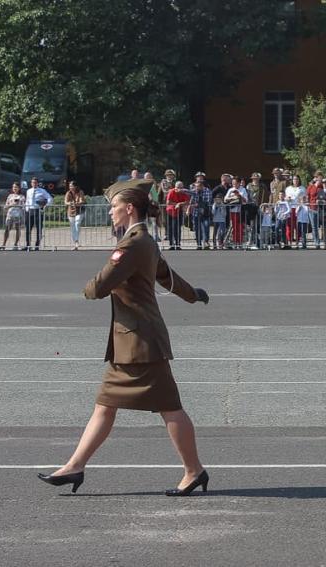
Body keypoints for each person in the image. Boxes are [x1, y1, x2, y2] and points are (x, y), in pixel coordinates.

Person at [37, 179, 211, 496]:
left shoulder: (132, 245)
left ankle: (194, 471)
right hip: (133, 342)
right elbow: (168, 277)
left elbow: (97, 288)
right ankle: (74, 466)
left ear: (129, 208)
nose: (110, 212)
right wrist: (193, 295)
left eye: (114, 207)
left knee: (169, 408)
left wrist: (90, 286)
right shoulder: (145, 240)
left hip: (141, 343)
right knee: (105, 406)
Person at [24, 177, 52, 250]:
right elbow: (27, 200)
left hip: (38, 210)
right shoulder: (28, 191)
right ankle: (28, 245)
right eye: (33, 182)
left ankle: (37, 245)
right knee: (28, 229)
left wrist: (46, 206)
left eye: (35, 182)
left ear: (37, 183)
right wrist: (26, 208)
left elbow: (49, 198)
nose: (34, 184)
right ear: (31, 183)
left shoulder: (42, 191)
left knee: (39, 229)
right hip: (30, 210)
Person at [165, 181, 189, 250]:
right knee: (171, 228)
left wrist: (180, 204)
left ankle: (178, 244)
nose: (179, 189)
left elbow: (187, 201)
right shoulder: (172, 191)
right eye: (178, 187)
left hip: (179, 212)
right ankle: (171, 244)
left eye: (181, 187)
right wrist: (177, 204)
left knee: (178, 229)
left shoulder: (184, 192)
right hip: (170, 212)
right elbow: (168, 202)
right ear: (175, 187)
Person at [1, 182, 25, 250]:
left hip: (18, 214)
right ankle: (3, 244)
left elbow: (24, 206)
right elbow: (5, 206)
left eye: (16, 187)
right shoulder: (10, 196)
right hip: (10, 214)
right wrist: (11, 204)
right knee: (7, 229)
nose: (15, 188)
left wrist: (18, 204)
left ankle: (15, 244)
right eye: (14, 187)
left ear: (19, 188)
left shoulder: (22, 196)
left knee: (18, 229)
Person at [64, 181, 86, 250]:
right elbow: (65, 202)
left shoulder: (80, 192)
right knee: (73, 227)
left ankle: (76, 241)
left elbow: (82, 201)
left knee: (77, 223)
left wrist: (78, 203)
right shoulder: (68, 193)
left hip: (79, 211)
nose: (70, 187)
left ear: (75, 186)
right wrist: (70, 203)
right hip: (71, 211)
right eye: (70, 186)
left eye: (72, 186)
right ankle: (76, 242)